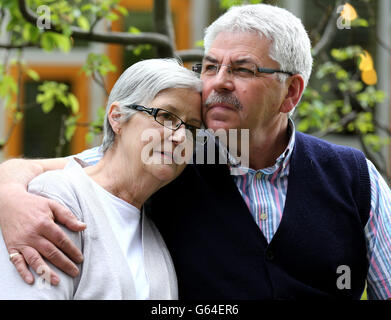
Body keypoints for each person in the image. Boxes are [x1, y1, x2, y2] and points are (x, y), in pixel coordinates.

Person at [1, 4, 391, 300]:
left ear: (291, 92)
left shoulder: (353, 177)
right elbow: (86, 167)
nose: (218, 83)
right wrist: (9, 194)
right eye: (209, 66)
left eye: (242, 69)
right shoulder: (178, 155)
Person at [0, 58, 203, 299]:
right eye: (165, 116)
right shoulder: (56, 199)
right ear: (117, 118)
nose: (180, 136)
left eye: (191, 127)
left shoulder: (155, 224)